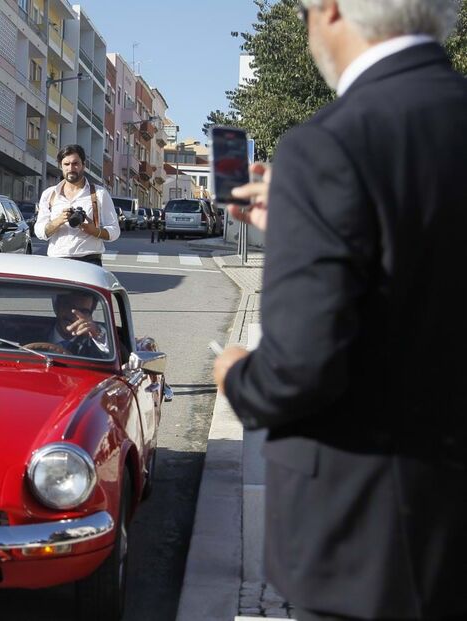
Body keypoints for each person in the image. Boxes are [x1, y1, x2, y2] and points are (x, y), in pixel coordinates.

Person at [212, 2, 467, 620]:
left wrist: (234, 374)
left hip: (374, 545)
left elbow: (299, 370)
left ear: (330, 11)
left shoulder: (329, 144)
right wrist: (301, 222)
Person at [35, 144, 120, 265]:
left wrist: (94, 231)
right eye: (66, 164)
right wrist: (58, 221)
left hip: (89, 260)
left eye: (75, 163)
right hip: (57, 260)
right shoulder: (49, 194)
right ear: (61, 166)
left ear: (83, 165)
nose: (71, 168)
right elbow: (39, 232)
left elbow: (114, 230)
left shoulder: (99, 193)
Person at [34, 291, 109, 358]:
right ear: (57, 307)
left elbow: (111, 356)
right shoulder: (33, 333)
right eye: (70, 308)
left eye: (83, 311)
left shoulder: (95, 341)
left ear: (90, 316)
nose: (74, 316)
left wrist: (98, 334)